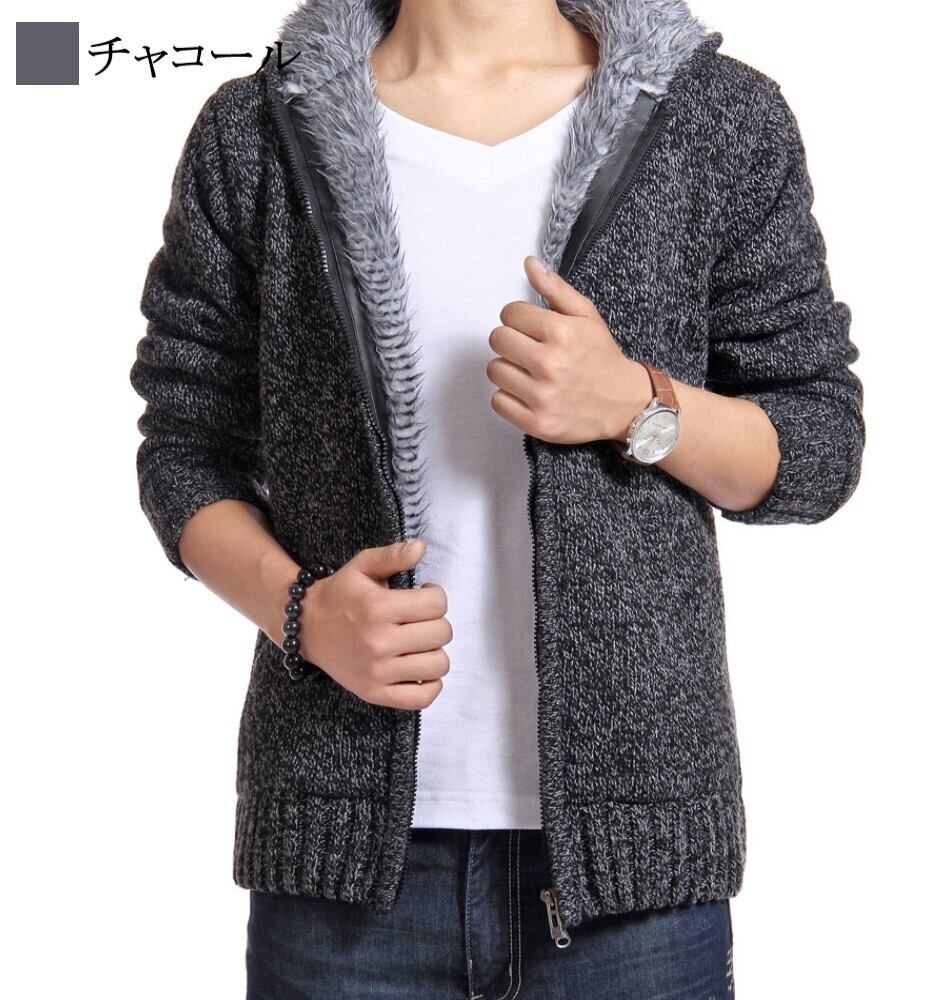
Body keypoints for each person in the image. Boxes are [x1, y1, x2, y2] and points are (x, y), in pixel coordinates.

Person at [129, 0, 865, 996]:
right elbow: (187, 447)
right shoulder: (257, 128)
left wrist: (636, 403)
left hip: (636, 874)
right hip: (341, 860)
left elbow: (816, 444)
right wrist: (302, 614)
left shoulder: (714, 117)